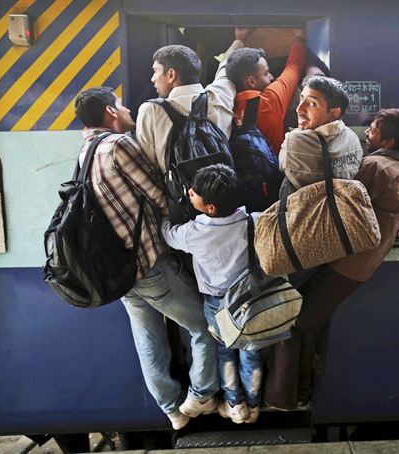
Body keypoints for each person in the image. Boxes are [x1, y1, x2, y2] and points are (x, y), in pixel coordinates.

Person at [73, 87, 219, 430]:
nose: (127, 111)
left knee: (148, 340)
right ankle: (203, 394)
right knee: (205, 326)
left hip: (119, 271)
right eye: (122, 106)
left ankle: (172, 409)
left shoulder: (86, 152)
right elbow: (157, 195)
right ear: (110, 112)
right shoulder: (118, 145)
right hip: (150, 263)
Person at [264, 108, 399, 410]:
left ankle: (283, 399)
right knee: (310, 323)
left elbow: (339, 199)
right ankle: (301, 393)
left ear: (387, 138)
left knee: (294, 325)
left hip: (344, 265)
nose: (367, 134)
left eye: (372, 130)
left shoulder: (374, 165)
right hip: (359, 265)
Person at [161, 164, 263, 424]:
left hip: (217, 304)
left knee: (225, 353)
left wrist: (163, 215)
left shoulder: (194, 232)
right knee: (251, 352)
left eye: (194, 193)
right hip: (250, 300)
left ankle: (235, 403)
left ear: (211, 208)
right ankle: (254, 404)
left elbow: (168, 235)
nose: (190, 193)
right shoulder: (252, 221)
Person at [136, 37, 242, 175]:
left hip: (179, 194)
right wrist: (239, 40)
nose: (153, 78)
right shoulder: (219, 97)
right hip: (220, 191)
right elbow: (225, 71)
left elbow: (148, 167)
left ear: (171, 75)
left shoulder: (151, 110)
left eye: (155, 71)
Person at [227, 28, 307, 154]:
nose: (271, 77)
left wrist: (239, 39)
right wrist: (299, 39)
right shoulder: (269, 100)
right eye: (266, 73)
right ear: (251, 81)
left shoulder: (226, 103)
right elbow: (294, 67)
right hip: (273, 171)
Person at [278, 75, 363, 194]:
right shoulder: (352, 138)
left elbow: (282, 169)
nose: (299, 109)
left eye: (312, 104)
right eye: (301, 99)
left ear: (333, 113)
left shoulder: (294, 141)